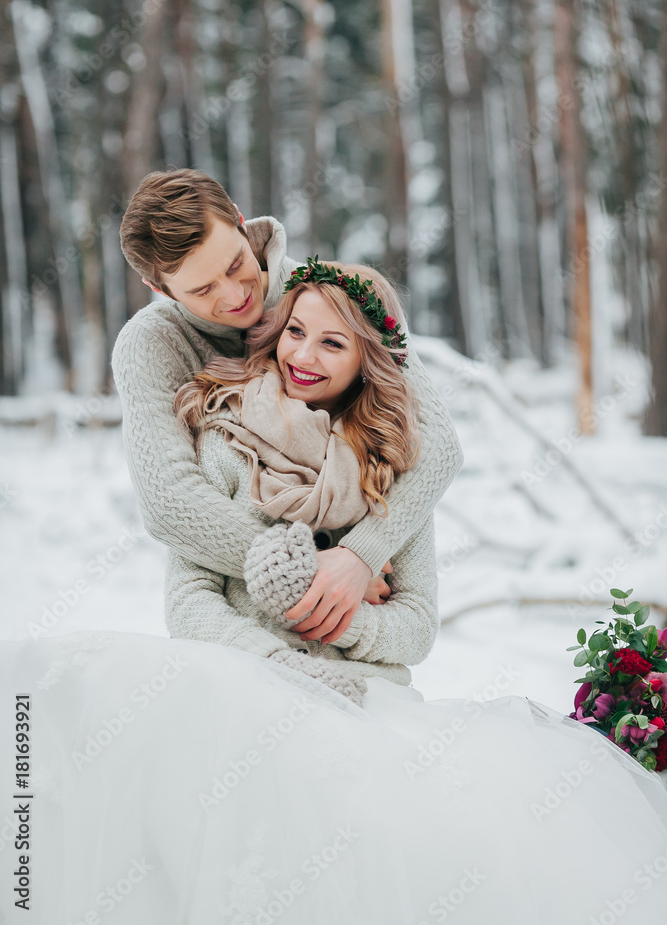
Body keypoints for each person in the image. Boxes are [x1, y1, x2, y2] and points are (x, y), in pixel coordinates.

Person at [2, 255, 667, 924]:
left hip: (360, 695)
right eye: (294, 332)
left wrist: (341, 614)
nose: (304, 355)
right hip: (237, 676)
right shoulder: (225, 434)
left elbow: (416, 622)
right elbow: (189, 597)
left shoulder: (389, 467)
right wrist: (273, 663)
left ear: (367, 360)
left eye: (331, 342)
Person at [111, 168, 464, 647]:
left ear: (240, 222)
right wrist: (307, 569)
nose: (235, 296)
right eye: (202, 290)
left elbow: (436, 443)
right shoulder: (152, 345)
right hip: (240, 631)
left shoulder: (326, 293)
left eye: (236, 264)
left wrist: (361, 554)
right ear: (162, 290)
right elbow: (169, 500)